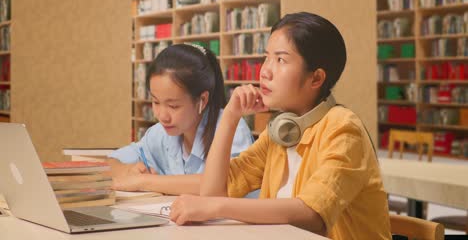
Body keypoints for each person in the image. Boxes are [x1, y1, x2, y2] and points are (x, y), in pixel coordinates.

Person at [168, 12, 392, 239]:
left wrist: (216, 207)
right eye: (267, 57)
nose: (264, 71)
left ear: (316, 78)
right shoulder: (280, 132)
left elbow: (312, 214)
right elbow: (212, 192)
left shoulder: (343, 128)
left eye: (281, 60)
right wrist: (230, 116)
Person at [109, 44, 254, 195]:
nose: (162, 116)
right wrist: (127, 170)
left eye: (173, 106)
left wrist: (144, 182)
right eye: (156, 102)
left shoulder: (232, 127)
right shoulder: (160, 133)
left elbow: (223, 184)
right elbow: (110, 162)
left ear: (202, 100)